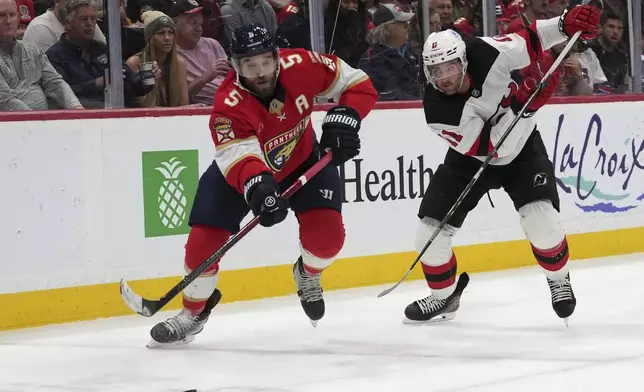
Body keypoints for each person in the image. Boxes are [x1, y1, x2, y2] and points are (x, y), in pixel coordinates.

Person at [147, 23, 377, 347]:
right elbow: (238, 154)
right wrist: (258, 185)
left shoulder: (303, 65)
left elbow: (358, 83)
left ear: (276, 57)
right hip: (240, 173)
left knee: (328, 240)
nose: (260, 72)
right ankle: (193, 313)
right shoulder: (228, 102)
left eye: (265, 62)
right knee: (203, 243)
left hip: (305, 159)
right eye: (249, 65)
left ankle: (308, 273)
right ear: (236, 66)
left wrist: (347, 115)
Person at [403, 4, 600, 325]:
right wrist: (524, 102)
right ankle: (443, 298)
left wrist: (565, 24)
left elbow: (532, 39)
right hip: (472, 158)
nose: (444, 77)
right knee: (428, 235)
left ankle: (559, 278)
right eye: (435, 71)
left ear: (464, 59)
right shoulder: (438, 111)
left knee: (542, 221)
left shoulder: (486, 50)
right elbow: (492, 148)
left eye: (450, 67)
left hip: (522, 148)